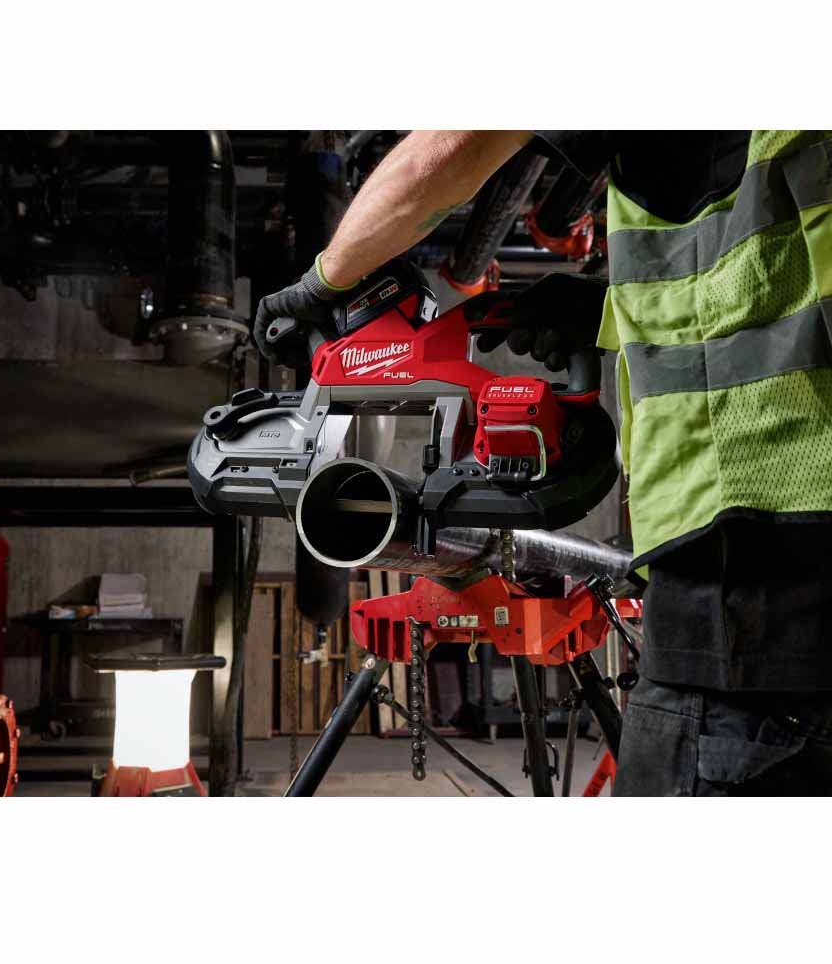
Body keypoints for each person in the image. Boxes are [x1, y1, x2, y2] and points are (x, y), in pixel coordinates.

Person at [253, 130, 832, 796]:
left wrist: (323, 279)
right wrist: (610, 311)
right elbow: (762, 278)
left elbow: (449, 149)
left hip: (755, 578)